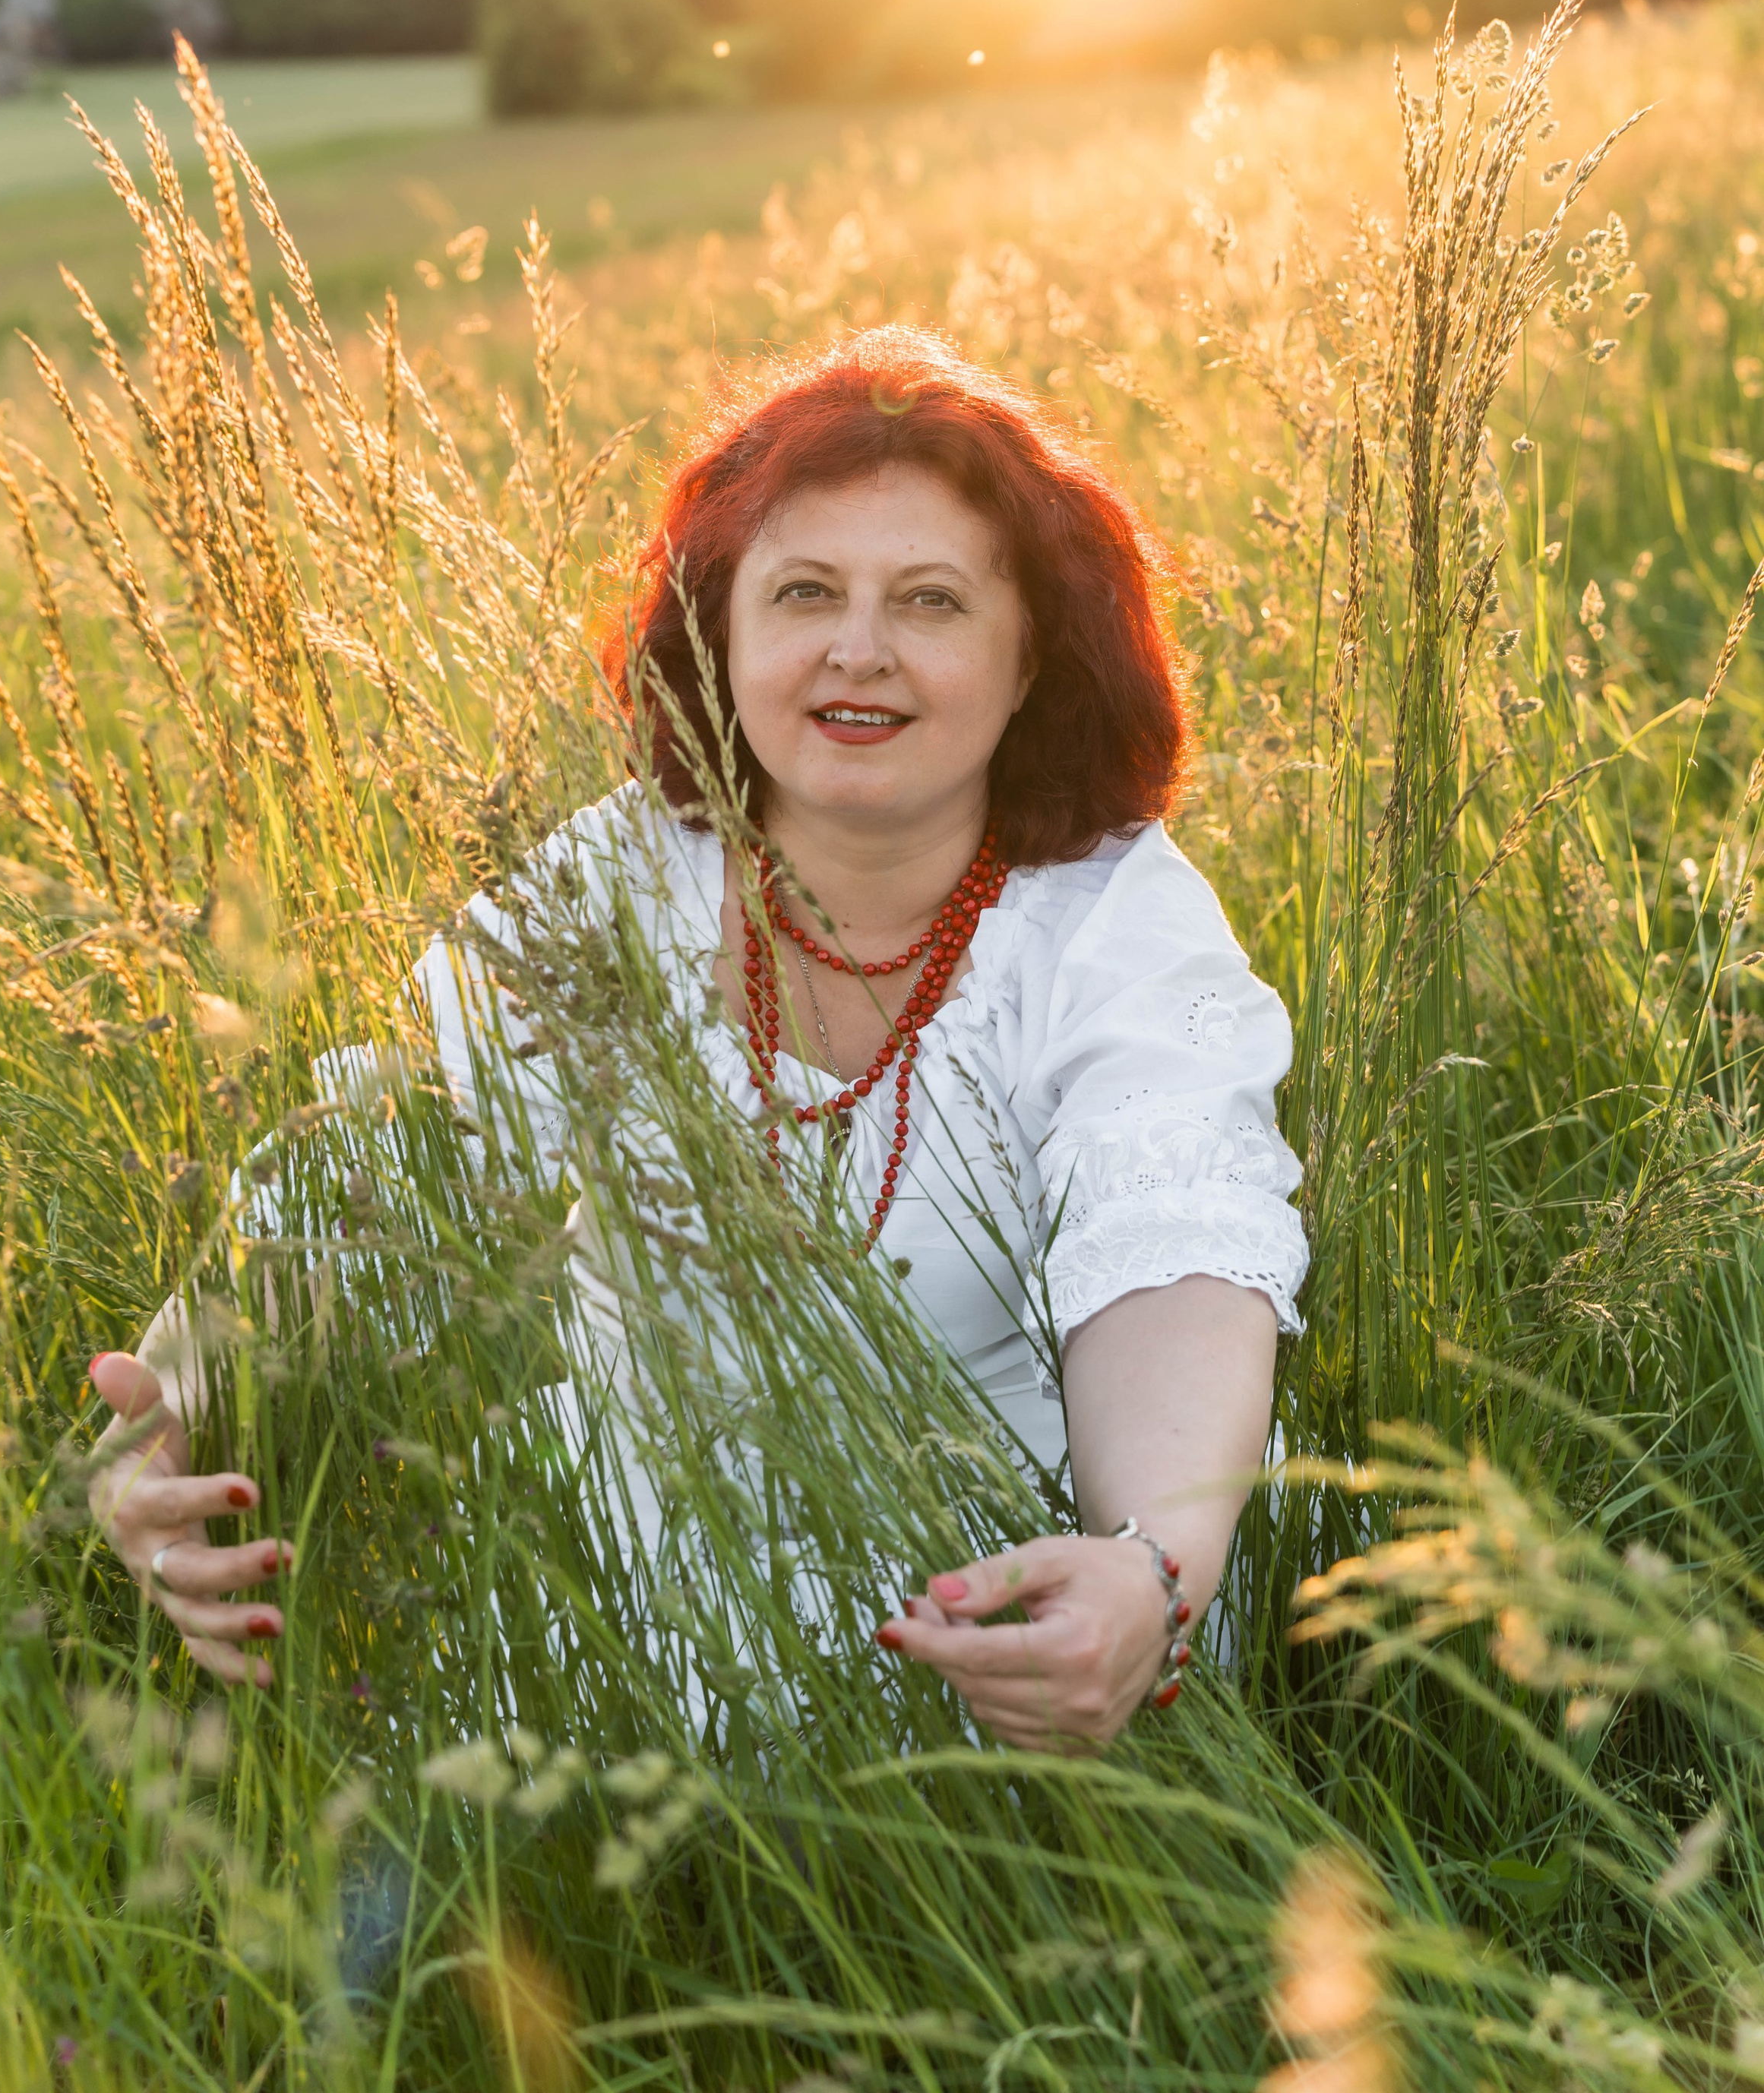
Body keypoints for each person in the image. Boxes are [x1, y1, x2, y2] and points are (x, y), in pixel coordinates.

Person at [90, 328, 1306, 1750]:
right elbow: (385, 1165)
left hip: (1011, 1585)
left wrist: (1148, 1571)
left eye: (930, 601)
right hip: (634, 1575)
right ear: (721, 636)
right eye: (804, 595)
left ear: (1033, 656)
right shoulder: (614, 882)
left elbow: (1176, 1252)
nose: (860, 650)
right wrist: (163, 1416)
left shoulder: (1113, 924)